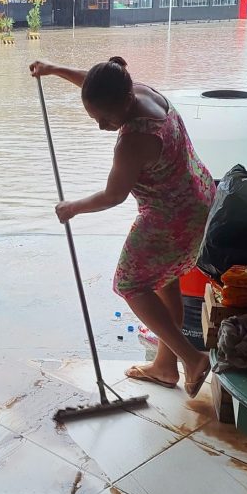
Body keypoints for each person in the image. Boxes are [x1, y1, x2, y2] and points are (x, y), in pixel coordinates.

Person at [29, 56, 216, 394]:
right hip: (198, 196)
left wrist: (72, 208)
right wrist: (55, 70)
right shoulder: (140, 90)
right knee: (164, 278)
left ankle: (192, 358)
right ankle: (164, 365)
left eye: (106, 118)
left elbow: (113, 196)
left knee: (130, 284)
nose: (102, 126)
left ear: (126, 102)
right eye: (95, 118)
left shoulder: (134, 139)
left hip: (171, 217)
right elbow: (97, 83)